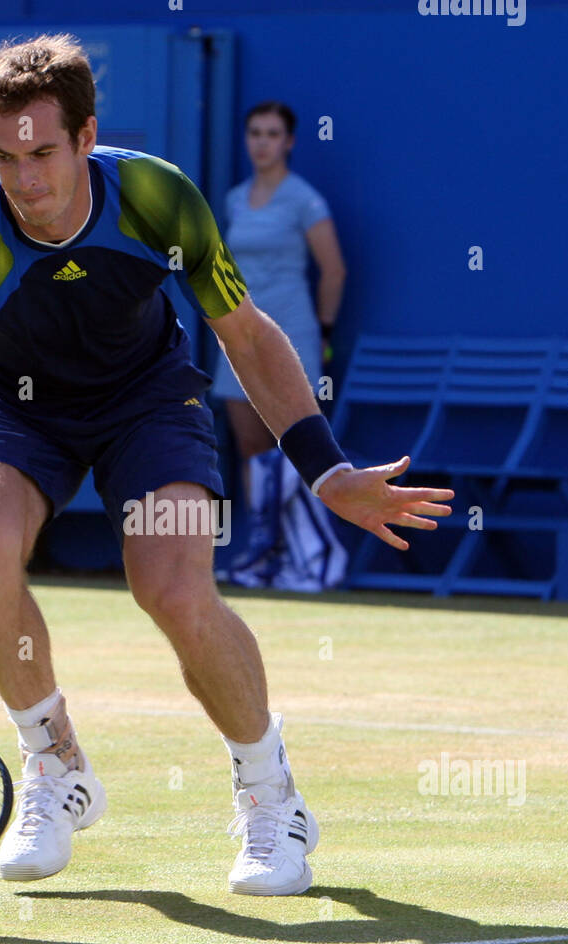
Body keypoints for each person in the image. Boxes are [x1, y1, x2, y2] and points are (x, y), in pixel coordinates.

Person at [0, 34, 452, 897]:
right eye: (4, 157)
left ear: (86, 138)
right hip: (10, 407)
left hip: (150, 400)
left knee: (175, 586)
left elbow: (248, 336)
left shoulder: (155, 198)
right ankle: (56, 763)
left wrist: (325, 467)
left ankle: (272, 796)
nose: (25, 179)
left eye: (43, 152)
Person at [212, 101, 348, 591]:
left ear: (289, 142)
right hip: (238, 335)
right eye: (254, 133)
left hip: (293, 334)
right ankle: (263, 551)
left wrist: (326, 333)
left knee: (295, 447)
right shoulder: (233, 199)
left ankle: (304, 557)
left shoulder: (304, 200)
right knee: (250, 446)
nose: (262, 142)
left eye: (272, 133)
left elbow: (333, 269)